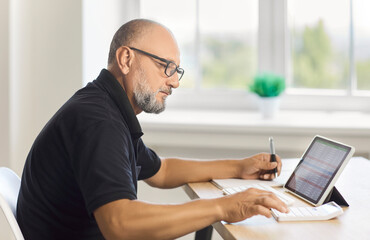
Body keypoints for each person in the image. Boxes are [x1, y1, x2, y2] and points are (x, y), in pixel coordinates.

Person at [17, 18, 288, 240]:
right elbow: (120, 224)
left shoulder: (107, 106)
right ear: (126, 59)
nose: (175, 82)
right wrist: (222, 207)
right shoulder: (99, 121)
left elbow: (162, 171)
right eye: (166, 67)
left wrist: (240, 167)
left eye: (176, 70)